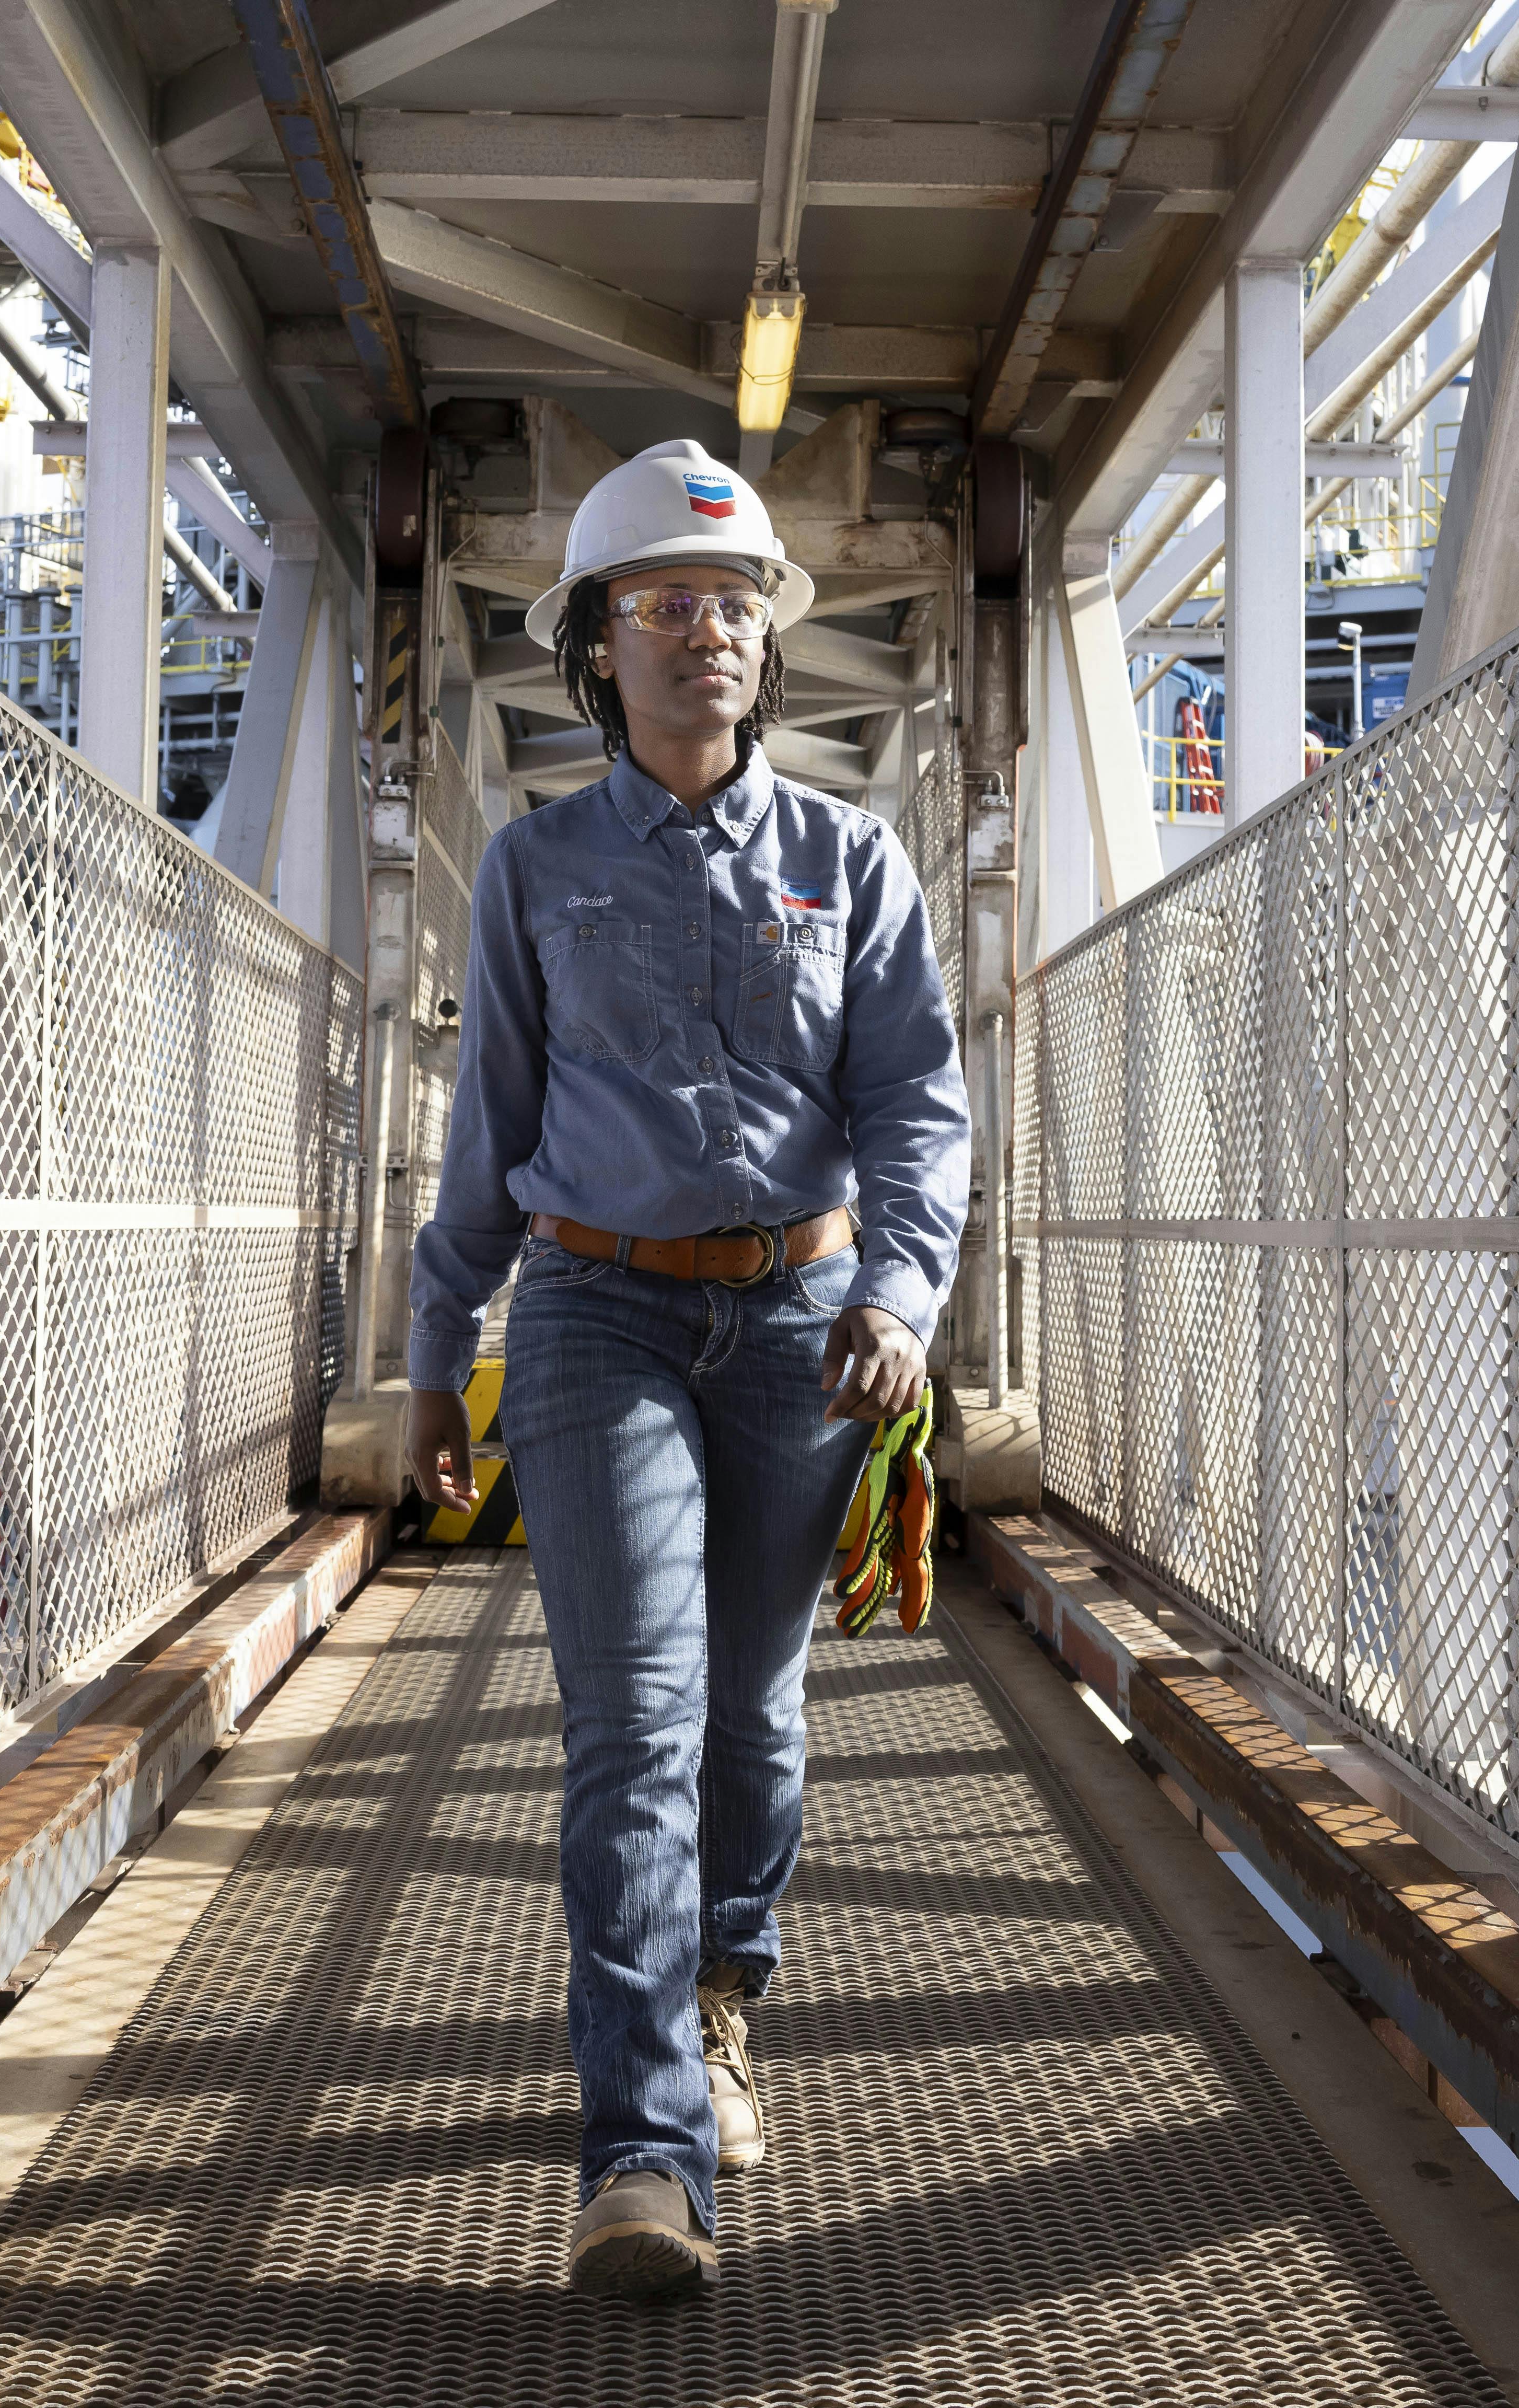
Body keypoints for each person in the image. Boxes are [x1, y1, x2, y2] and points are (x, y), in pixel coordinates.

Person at [404, 439, 969, 2300]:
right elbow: (487, 1131)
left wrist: (903, 1292)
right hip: (594, 1318)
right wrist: (432, 1355)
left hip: (807, 1334)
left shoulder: (850, 859)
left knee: (752, 1713)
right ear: (596, 645)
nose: (707, 631)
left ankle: (727, 1990)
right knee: (634, 1725)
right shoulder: (534, 866)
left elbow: (914, 1106)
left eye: (734, 604)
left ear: (766, 644)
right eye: (665, 604)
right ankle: (639, 2160)